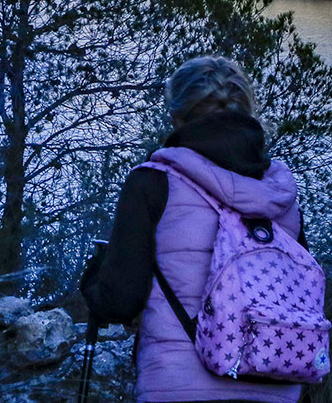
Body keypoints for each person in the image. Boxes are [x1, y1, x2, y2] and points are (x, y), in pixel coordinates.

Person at [80, 56, 308, 403]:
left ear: (176, 117)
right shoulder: (281, 196)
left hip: (176, 387)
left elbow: (120, 300)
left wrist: (94, 279)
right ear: (249, 113)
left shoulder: (153, 183)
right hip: (278, 389)